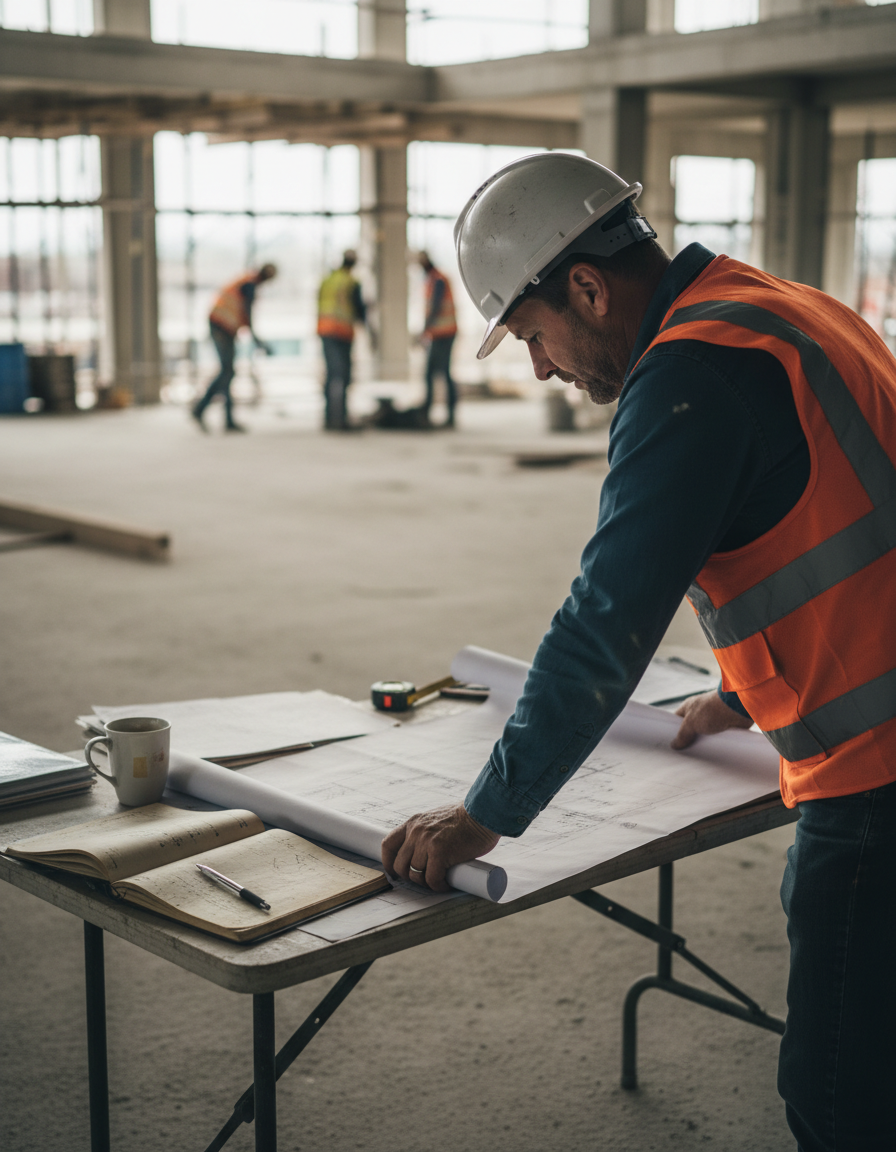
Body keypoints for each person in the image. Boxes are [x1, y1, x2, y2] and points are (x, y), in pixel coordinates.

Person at [381, 152, 896, 1152]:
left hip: (874, 775)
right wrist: (738, 697)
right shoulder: (781, 310)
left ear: (584, 286)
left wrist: (485, 813)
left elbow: (602, 626)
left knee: (838, 1096)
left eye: (532, 334)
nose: (538, 366)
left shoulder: (687, 379)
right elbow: (849, 510)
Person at [191, 263, 277, 432]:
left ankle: (225, 419)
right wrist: (257, 340)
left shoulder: (247, 280)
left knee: (228, 372)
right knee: (227, 371)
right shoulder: (249, 284)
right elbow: (247, 312)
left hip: (224, 326)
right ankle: (201, 409)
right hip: (221, 326)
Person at [317, 249, 367, 430]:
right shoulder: (351, 282)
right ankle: (340, 419)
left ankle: (330, 419)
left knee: (331, 376)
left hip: (325, 331)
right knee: (342, 376)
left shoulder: (327, 280)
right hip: (341, 333)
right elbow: (360, 311)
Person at [417, 251, 458, 427]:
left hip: (443, 333)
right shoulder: (434, 279)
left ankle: (431, 413)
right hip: (440, 333)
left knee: (435, 373)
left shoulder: (437, 279)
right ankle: (444, 415)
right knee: (441, 373)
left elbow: (435, 306)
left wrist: (424, 329)